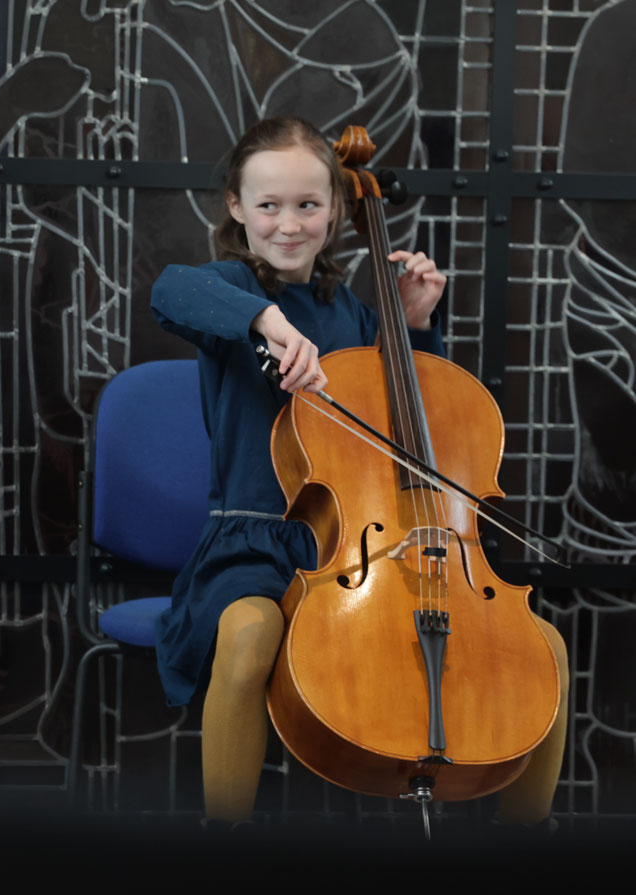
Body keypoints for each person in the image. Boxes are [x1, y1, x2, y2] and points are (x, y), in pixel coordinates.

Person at [148, 116, 571, 830]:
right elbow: (171, 289)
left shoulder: (351, 314)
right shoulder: (225, 290)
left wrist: (412, 328)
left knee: (545, 649)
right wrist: (268, 323)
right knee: (249, 634)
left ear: (337, 210)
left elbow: (424, 431)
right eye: (269, 205)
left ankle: (523, 852)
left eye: (308, 205)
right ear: (236, 207)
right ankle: (222, 846)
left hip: (366, 553)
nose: (288, 224)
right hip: (251, 551)